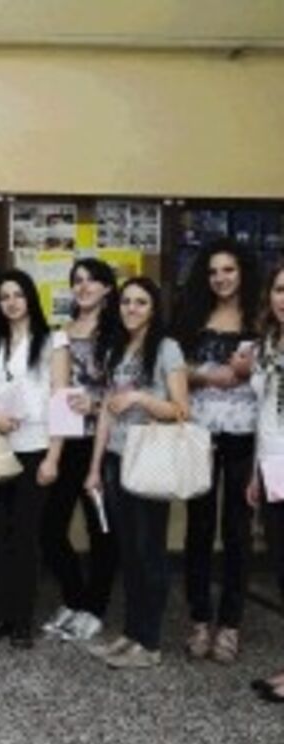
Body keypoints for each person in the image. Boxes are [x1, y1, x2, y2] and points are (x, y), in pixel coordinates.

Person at [85, 277, 189, 670]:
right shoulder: (116, 346)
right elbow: (107, 413)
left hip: (150, 460)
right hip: (116, 459)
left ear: (154, 308)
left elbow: (181, 409)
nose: (131, 308)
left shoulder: (166, 348)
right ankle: (131, 635)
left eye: (141, 302)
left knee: (149, 553)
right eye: (126, 301)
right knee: (128, 553)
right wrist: (94, 468)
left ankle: (149, 642)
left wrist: (140, 397)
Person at [175, 240, 259, 664]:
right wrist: (208, 375)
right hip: (199, 433)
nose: (220, 278)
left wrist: (249, 369)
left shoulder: (261, 317)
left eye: (228, 269)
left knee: (238, 529)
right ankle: (199, 618)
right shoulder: (192, 316)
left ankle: (230, 624)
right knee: (199, 526)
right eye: (212, 271)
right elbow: (173, 368)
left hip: (246, 434)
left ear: (243, 272)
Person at [40, 258, 120, 642]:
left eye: (91, 280)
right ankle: (74, 599)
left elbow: (126, 389)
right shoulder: (61, 334)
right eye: (77, 281)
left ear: (107, 288)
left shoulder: (118, 332)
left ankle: (94, 609)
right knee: (49, 528)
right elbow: (56, 391)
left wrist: (96, 403)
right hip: (67, 440)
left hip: (105, 442)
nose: (83, 286)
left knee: (101, 529)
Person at [0, 270, 53, 649]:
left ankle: (22, 618)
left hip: (35, 448)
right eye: (4, 296)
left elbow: (61, 402)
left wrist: (54, 458)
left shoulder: (51, 341)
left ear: (30, 298)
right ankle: (0, 614)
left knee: (24, 537)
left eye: (18, 294)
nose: (11, 302)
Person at [247, 263, 284, 701]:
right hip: (272, 468)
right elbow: (265, 417)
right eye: (278, 289)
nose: (283, 299)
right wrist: (255, 474)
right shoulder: (265, 347)